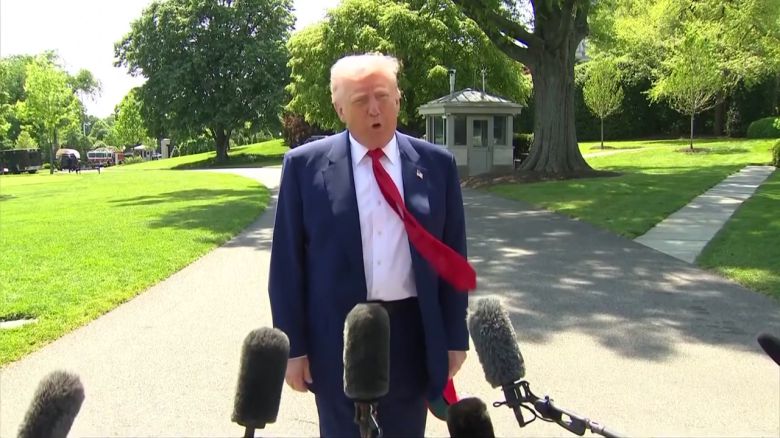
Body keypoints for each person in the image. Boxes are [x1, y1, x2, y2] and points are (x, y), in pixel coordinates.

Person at [268, 53, 471, 437]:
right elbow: (286, 267)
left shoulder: (437, 165)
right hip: (337, 340)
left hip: (411, 337)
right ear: (340, 109)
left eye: (383, 96)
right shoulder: (303, 168)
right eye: (361, 101)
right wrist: (293, 349)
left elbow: (452, 258)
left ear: (398, 100)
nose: (374, 109)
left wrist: (454, 337)